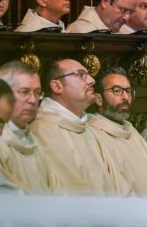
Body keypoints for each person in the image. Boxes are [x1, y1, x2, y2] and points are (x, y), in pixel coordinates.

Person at [30, 58, 118, 194]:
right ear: (57, 86)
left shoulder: (87, 128)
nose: (92, 80)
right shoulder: (43, 131)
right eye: (81, 74)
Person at [89, 67, 147, 195]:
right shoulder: (92, 135)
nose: (125, 97)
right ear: (98, 99)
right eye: (117, 91)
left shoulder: (132, 132)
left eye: (128, 91)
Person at [0, 61, 62, 194]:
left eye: (37, 93)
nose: (33, 100)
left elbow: (55, 188)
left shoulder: (32, 139)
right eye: (25, 92)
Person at [66, 0, 137, 33]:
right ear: (105, 2)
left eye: (130, 12)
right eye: (123, 10)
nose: (126, 18)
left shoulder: (126, 32)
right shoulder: (82, 31)